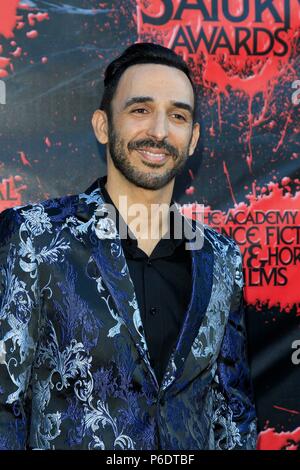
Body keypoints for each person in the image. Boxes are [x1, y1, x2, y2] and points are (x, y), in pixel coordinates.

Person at [0, 43, 257, 450]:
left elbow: (233, 414)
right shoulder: (35, 235)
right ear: (103, 126)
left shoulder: (222, 259)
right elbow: (4, 404)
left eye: (178, 115)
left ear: (193, 139)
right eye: (140, 109)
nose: (158, 130)